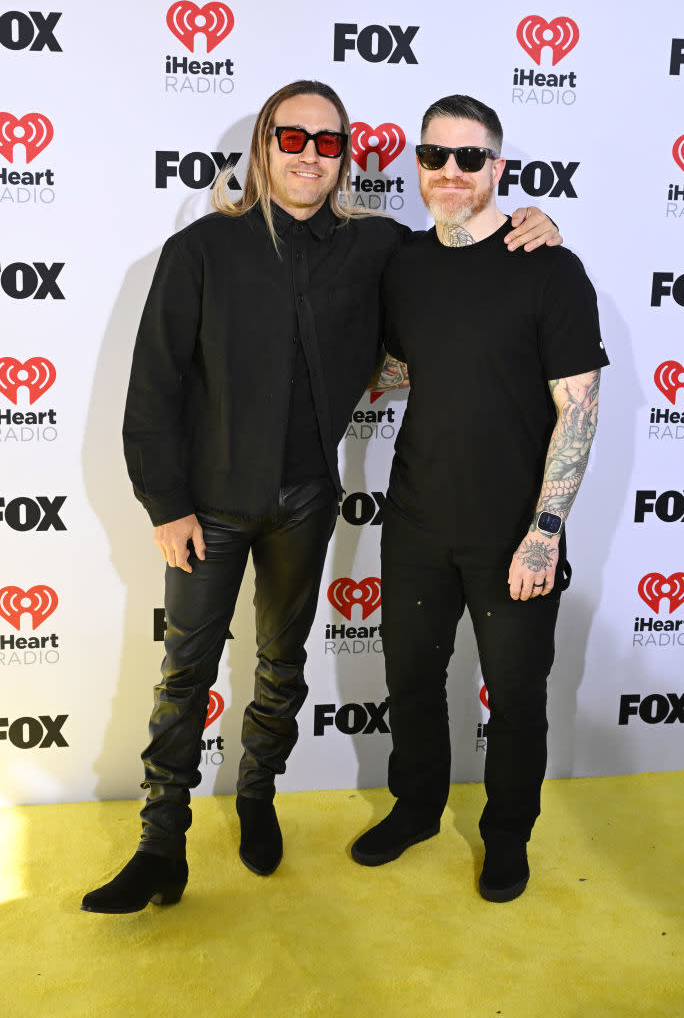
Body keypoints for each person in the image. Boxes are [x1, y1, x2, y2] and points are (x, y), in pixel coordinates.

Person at [81, 80, 560, 914]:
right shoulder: (198, 250)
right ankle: (161, 845)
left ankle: (259, 798)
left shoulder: (378, 249)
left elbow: (464, 253)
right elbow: (150, 389)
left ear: (346, 156)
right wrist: (166, 505)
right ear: (263, 144)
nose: (309, 153)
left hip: (306, 500)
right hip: (208, 504)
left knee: (280, 665)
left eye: (328, 141)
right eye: (292, 137)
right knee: (183, 674)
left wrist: (538, 225)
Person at [350, 94, 609, 903]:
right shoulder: (403, 264)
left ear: (499, 166)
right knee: (413, 682)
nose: (451, 173)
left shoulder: (549, 266)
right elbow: (400, 368)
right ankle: (417, 808)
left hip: (512, 530)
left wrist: (545, 529)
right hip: (418, 518)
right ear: (416, 165)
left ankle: (506, 838)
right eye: (434, 157)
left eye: (470, 158)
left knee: (517, 696)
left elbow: (579, 405)